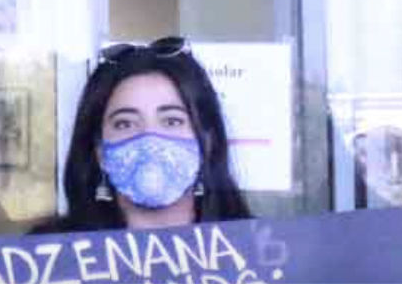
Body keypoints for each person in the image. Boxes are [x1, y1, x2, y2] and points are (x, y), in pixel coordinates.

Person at [36, 37, 251, 233]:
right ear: (100, 151)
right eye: (125, 124)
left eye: (172, 121)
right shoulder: (47, 256)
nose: (149, 138)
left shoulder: (258, 250)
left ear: (207, 140)